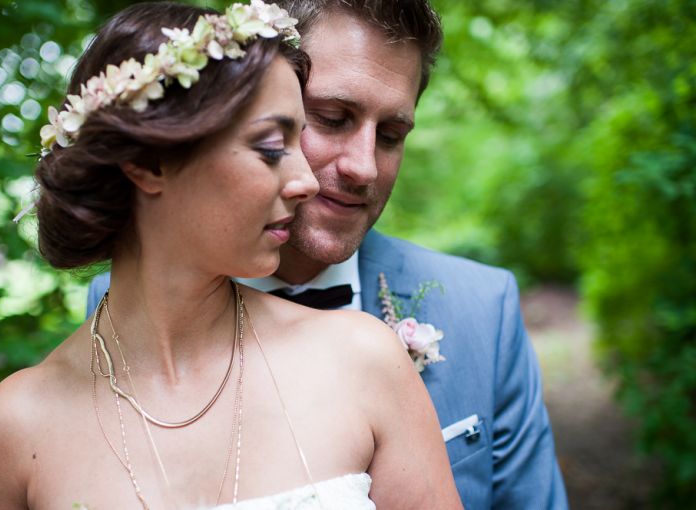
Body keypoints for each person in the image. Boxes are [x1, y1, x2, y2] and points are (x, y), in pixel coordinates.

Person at [0, 2, 463, 509]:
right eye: (272, 147)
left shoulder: (362, 359)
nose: (306, 181)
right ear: (149, 162)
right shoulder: (18, 425)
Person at [88, 0, 569, 508]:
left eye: (391, 136)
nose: (364, 168)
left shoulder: (483, 308)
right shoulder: (122, 307)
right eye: (332, 118)